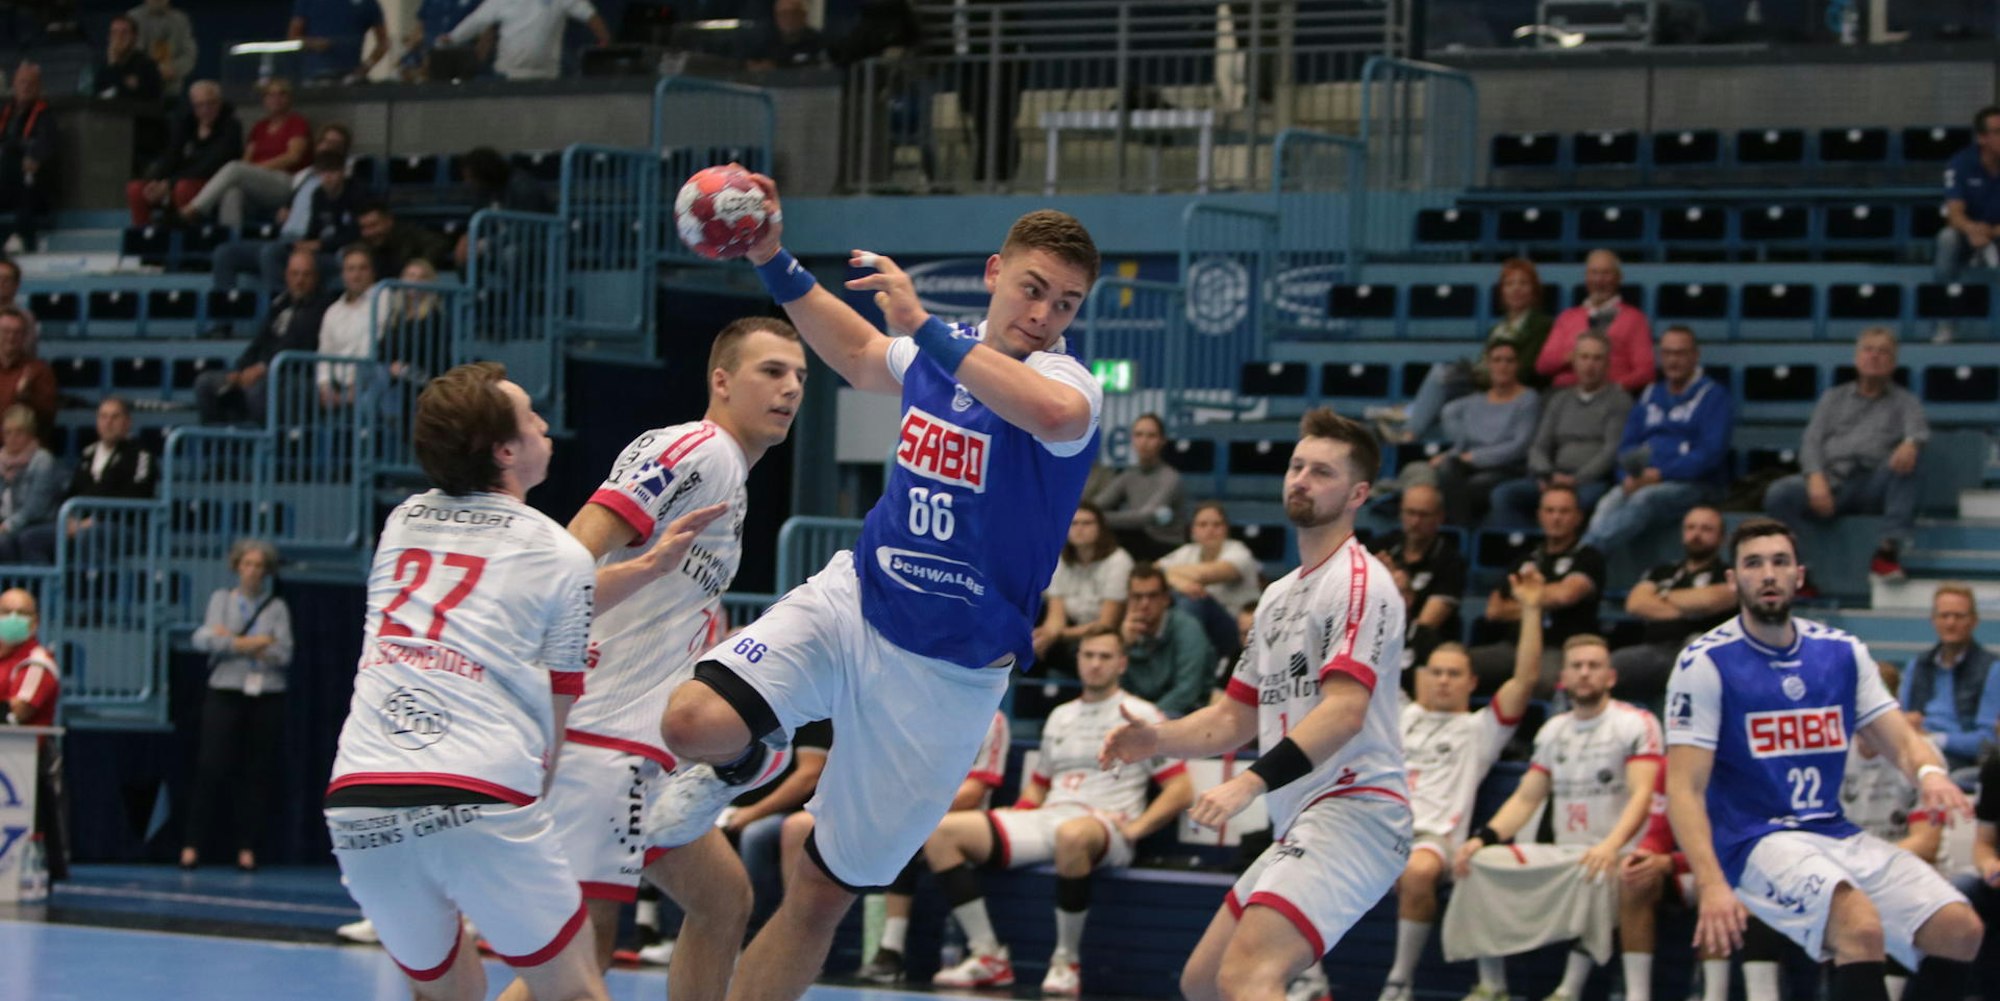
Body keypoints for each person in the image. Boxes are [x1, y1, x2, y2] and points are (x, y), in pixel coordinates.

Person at [655, 184, 1104, 1001]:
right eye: (1033, 288)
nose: (1044, 313)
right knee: (693, 721)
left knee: (821, 891)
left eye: (1066, 302)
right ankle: (756, 753)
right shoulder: (941, 348)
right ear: (996, 273)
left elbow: (1047, 411)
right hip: (857, 601)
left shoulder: (1065, 380)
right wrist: (772, 259)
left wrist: (923, 327)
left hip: (947, 677)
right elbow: (862, 351)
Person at [491, 317, 807, 1001]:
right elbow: (577, 548)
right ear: (722, 381)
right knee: (585, 956)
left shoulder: (729, 474)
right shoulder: (700, 449)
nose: (790, 388)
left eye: (800, 376)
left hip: (643, 744)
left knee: (722, 900)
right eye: (771, 371)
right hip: (601, 734)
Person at [324, 362, 612, 1001]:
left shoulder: (402, 521)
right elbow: (557, 709)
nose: (544, 425)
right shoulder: (563, 554)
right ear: (505, 451)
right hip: (480, 786)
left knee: (446, 991)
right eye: (530, 416)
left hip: (360, 795)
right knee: (573, 990)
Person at [1100, 409, 1408, 1001]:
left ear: (1357, 495)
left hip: (1356, 810)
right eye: (1297, 467)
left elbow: (1344, 712)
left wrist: (1249, 783)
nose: (1301, 480)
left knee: (1246, 977)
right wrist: (1155, 739)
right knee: (1203, 983)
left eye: (1322, 472)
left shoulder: (1360, 582)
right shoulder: (1277, 597)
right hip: (1302, 816)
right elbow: (1232, 719)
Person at [1666, 518, 1985, 1001]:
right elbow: (1684, 788)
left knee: (1960, 930)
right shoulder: (1705, 662)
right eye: (1753, 563)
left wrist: (1930, 773)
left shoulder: (1842, 652)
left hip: (1832, 831)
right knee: (1859, 928)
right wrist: (1711, 883)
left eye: (1780, 562)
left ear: (1799, 575)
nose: (1768, 574)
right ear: (1733, 580)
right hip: (1753, 840)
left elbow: (1901, 740)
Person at [927, 626, 1192, 994]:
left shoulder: (1141, 713)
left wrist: (1136, 829)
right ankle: (988, 955)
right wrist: (1020, 810)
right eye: (1088, 655)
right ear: (1078, 660)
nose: (1095, 664)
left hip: (1104, 825)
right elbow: (1039, 785)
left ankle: (1066, 962)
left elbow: (1181, 789)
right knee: (941, 832)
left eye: (1105, 657)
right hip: (1050, 817)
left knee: (1072, 835)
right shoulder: (1060, 716)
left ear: (1121, 663)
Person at [1444, 634, 1665, 1001]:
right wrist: (1482, 838)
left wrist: (1611, 847)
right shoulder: (1553, 730)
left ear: (1610, 676)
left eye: (1594, 666)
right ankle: (1492, 987)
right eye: (1577, 666)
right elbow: (1526, 797)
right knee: (1477, 864)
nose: (1585, 673)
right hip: (1564, 854)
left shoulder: (1636, 723)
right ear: (1563, 678)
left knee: (1595, 871)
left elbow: (1644, 794)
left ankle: (1567, 991)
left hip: (1618, 852)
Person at [1375, 571, 1545, 1001]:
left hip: (1434, 840)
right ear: (1422, 676)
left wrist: (1530, 608)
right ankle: (1311, 980)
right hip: (1378, 831)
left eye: (1454, 674)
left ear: (1471, 683)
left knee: (1418, 871)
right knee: (1300, 860)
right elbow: (1373, 662)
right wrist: (1387, 597)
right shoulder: (1401, 715)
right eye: (1436, 672)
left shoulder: (1479, 730)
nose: (1443, 680)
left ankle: (1399, 982)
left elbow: (1525, 680)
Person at [855, 710, 1011, 984]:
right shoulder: (927, 711)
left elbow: (974, 792)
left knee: (920, 829)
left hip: (967, 819)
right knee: (900, 830)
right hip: (921, 814)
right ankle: (890, 950)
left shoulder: (993, 719)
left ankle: (986, 952)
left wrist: (920, 810)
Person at [1763, 327, 1929, 581]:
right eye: (1868, 350)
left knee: (1909, 463)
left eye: (1883, 352)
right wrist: (1815, 477)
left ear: (1893, 363)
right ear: (1856, 358)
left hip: (1871, 484)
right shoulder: (1833, 398)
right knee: (1779, 493)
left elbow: (1918, 432)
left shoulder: (1906, 401)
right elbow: (1811, 442)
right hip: (1830, 479)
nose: (1874, 356)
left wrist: (1911, 444)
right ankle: (1800, 572)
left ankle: (1887, 551)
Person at [181, 538, 292, 872]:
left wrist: (232, 641)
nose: (252, 571)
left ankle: (247, 848)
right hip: (225, 690)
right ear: (237, 567)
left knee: (256, 771)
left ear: (266, 571)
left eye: (259, 566)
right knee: (211, 767)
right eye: (247, 564)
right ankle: (192, 845)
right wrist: (255, 642)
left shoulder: (276, 607)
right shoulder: (221, 599)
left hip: (266, 694)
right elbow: (205, 640)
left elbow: (284, 652)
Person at [1582, 325, 1732, 554]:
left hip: (1696, 484)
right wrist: (1628, 477)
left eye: (1680, 353)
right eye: (1667, 353)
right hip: (1645, 480)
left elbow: (1710, 453)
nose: (1673, 361)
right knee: (1609, 500)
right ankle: (1583, 559)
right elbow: (1628, 446)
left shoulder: (1714, 396)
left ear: (1695, 355)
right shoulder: (1650, 394)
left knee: (1645, 499)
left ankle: (1584, 557)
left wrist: (1661, 474)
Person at [1370, 257, 1553, 443]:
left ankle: (1409, 422)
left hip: (1507, 389)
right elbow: (1485, 360)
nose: (1516, 289)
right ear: (1502, 290)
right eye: (1510, 284)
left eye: (1523, 283)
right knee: (1444, 385)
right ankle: (1410, 416)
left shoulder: (1542, 325)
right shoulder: (1497, 328)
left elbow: (1526, 370)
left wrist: (1484, 375)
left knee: (1441, 376)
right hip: (1483, 383)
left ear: (1534, 289)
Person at [1467, 484, 1606, 695]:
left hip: (1559, 648)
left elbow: (1566, 595)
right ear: (1539, 515)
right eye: (1550, 511)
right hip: (1513, 647)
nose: (1556, 517)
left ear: (1578, 517)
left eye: (1564, 511)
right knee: (1459, 664)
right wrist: (1542, 603)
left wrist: (1525, 599)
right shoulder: (1525, 559)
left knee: (1542, 680)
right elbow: (1495, 609)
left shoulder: (1588, 557)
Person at [1490, 330, 1632, 530]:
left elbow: (1611, 451)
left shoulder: (1619, 401)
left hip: (1590, 480)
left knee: (1584, 500)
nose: (1590, 365)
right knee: (1504, 495)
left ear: (1607, 364)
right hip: (1553, 476)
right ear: (1574, 361)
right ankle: (1525, 545)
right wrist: (1547, 474)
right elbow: (1539, 446)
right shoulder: (1559, 399)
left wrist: (1575, 480)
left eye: (1597, 358)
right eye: (1584, 357)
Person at [7, 397, 156, 563]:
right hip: (82, 524)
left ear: (127, 422)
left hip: (123, 526)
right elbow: (73, 492)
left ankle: (92, 579)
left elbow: (137, 495)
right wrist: (70, 519)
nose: (108, 423)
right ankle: (42, 581)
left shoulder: (141, 455)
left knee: (87, 536)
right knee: (30, 539)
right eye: (103, 417)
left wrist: (96, 519)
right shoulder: (88, 454)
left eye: (115, 417)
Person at [1614, 504, 1735, 708]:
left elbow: (1710, 600)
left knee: (1693, 650)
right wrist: (1691, 610)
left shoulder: (1728, 573)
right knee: (1604, 667)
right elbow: (1635, 603)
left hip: (1703, 651)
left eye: (1706, 529)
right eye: (1691, 527)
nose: (1696, 534)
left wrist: (1660, 596)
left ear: (1722, 538)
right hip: (1653, 650)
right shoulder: (1662, 571)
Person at [209, 124, 354, 294]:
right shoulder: (305, 176)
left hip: (310, 245)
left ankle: (283, 306)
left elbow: (347, 229)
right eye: (326, 142)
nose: (329, 147)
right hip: (284, 239)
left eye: (336, 144)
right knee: (224, 253)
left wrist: (317, 243)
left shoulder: (345, 183)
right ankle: (226, 309)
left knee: (271, 253)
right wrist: (286, 207)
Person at [197, 251, 329, 425]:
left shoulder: (322, 308)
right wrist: (239, 370)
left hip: (291, 374)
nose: (300, 280)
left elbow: (298, 343)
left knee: (258, 391)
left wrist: (262, 368)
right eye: (295, 274)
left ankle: (264, 440)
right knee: (206, 383)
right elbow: (260, 340)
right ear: (286, 276)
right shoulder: (280, 303)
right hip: (261, 371)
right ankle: (217, 439)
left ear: (316, 277)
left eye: (306, 275)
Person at [1424, 339, 1539, 526]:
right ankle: (1461, 531)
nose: (1503, 366)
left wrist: (1474, 457)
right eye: (1497, 360)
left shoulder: (1528, 399)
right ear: (1488, 364)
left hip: (1509, 467)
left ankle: (1460, 532)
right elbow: (1459, 438)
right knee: (1443, 470)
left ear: (1517, 365)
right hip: (1471, 465)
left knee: (1467, 487)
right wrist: (1451, 455)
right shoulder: (1474, 402)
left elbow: (1520, 446)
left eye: (1509, 361)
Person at [182, 79, 312, 230]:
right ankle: (230, 238)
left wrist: (258, 169)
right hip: (258, 183)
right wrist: (251, 170)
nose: (276, 99)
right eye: (270, 95)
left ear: (289, 98)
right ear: (264, 100)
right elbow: (246, 161)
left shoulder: (296, 123)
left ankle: (193, 210)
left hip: (285, 181)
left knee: (235, 168)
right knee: (232, 192)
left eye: (281, 94)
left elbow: (293, 156)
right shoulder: (259, 128)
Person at [1899, 584, 1999, 771]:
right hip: (1917, 754)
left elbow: (1988, 740)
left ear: (1974, 621)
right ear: (1933, 620)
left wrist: (1935, 740)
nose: (1950, 623)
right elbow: (1902, 721)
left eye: (1959, 616)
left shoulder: (1992, 669)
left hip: (1962, 763)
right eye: (1944, 615)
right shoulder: (1918, 665)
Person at [0, 586, 62, 880]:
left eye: (21, 613)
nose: (13, 618)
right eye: (6, 612)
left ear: (35, 622)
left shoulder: (38, 662)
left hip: (23, 769)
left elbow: (16, 712)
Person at [1371, 484, 1466, 675]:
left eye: (1424, 515)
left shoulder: (1451, 561)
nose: (1415, 521)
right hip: (1375, 637)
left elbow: (1425, 625)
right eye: (1410, 513)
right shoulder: (1381, 547)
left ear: (1439, 517)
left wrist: (1403, 592)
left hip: (1424, 650)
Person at [1536, 249, 1655, 394]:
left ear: (1619, 277)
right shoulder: (1567, 317)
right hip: (1566, 394)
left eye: (1606, 273)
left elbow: (1645, 371)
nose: (1599, 280)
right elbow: (1543, 365)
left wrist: (1611, 390)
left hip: (1613, 396)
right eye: (1594, 273)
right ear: (1586, 277)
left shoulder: (1635, 318)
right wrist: (1574, 357)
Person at [127, 80, 241, 225]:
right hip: (177, 180)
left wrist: (170, 184)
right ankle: (143, 234)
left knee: (184, 188)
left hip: (211, 183)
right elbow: (171, 155)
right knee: (136, 189)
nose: (205, 110)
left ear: (220, 102)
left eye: (211, 103)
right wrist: (156, 181)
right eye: (200, 105)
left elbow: (210, 164)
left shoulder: (231, 127)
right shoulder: (186, 123)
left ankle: (187, 233)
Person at [1034, 502, 1133, 668]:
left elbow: (1106, 624)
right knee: (1031, 644)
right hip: (1071, 630)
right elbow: (1056, 617)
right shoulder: (1061, 560)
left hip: (1104, 635)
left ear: (1101, 528)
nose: (1079, 529)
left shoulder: (1118, 561)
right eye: (1074, 524)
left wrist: (1058, 635)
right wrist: (1044, 635)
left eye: (1087, 523)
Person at [1119, 562, 1216, 718]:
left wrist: (1149, 717)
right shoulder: (1126, 632)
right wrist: (1124, 647)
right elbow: (1115, 690)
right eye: (1137, 597)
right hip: (1142, 713)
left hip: (1185, 713)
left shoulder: (1187, 628)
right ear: (1128, 599)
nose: (1144, 604)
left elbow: (1187, 691)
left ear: (1165, 599)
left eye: (1152, 596)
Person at [434, 0, 611, 81]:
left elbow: (589, 14)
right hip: (507, 76)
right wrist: (453, 37)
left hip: (547, 78)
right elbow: (477, 21)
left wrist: (604, 40)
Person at [1089, 413, 1185, 560]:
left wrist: (1094, 519)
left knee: (1116, 532)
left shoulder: (1170, 477)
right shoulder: (1129, 475)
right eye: (1139, 435)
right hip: (1139, 541)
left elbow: (1145, 518)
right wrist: (1085, 517)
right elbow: (1096, 506)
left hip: (1166, 545)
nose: (1144, 441)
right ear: (1132, 439)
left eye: (1151, 436)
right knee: (1083, 530)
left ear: (1162, 441)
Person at [1160, 501, 1263, 616]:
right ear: (1193, 530)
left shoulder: (1239, 552)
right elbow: (1153, 571)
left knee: (1193, 600)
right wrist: (1179, 583)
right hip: (1204, 620)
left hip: (1236, 621)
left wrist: (1170, 577)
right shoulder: (1187, 551)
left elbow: (1202, 575)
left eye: (1217, 525)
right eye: (1202, 525)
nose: (1210, 530)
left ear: (1226, 529)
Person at [1936, 106, 2000, 289]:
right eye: (1998, 132)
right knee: (1947, 237)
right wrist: (1972, 229)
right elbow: (1954, 214)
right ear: (1981, 138)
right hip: (1969, 234)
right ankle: (1943, 296)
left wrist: (1992, 231)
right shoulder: (1961, 163)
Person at [315, 244, 379, 409]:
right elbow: (324, 353)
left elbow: (374, 342)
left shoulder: (383, 299)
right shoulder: (333, 311)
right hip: (337, 384)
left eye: (362, 268)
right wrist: (325, 386)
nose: (356, 275)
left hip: (369, 381)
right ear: (343, 274)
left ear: (372, 272)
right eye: (351, 269)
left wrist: (355, 388)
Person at [0, 63, 56, 251]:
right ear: (14, 85)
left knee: (25, 174)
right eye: (22, 82)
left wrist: (28, 155)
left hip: (31, 184)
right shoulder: (5, 112)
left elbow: (44, 146)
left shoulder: (45, 115)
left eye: (31, 83)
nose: (26, 87)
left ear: (39, 87)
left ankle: (20, 236)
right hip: (4, 181)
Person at [0, 405, 59, 562]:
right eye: (8, 432)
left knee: (8, 541)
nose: (12, 438)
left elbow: (35, 507)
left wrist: (7, 526)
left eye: (19, 432)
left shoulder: (42, 460)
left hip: (38, 522)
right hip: (6, 521)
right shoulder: (0, 461)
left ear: (30, 434)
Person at [289, 0, 389, 83]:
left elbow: (383, 42)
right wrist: (312, 43)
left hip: (350, 78)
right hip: (314, 76)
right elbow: (292, 38)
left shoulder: (367, 3)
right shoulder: (308, 2)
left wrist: (366, 67)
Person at [0, 306, 56, 434]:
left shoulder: (39, 371)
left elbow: (48, 419)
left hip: (22, 443)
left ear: (24, 337)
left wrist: (26, 398)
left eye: (17, 332)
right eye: (6, 331)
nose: (11, 337)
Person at [90, 14, 162, 102]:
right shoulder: (103, 67)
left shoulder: (147, 66)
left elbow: (132, 98)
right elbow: (98, 97)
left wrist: (114, 67)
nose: (119, 37)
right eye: (114, 33)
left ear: (134, 37)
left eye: (124, 33)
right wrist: (113, 65)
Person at [126, 0, 194, 92]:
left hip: (170, 87)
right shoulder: (132, 18)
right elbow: (125, 52)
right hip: (139, 87)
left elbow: (189, 54)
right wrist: (151, 71)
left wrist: (175, 68)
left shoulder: (181, 20)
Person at [746, 0, 825, 70]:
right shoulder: (763, 41)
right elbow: (749, 66)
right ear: (776, 16)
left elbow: (824, 68)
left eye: (795, 13)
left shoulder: (818, 41)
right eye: (784, 14)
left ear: (804, 15)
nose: (790, 18)